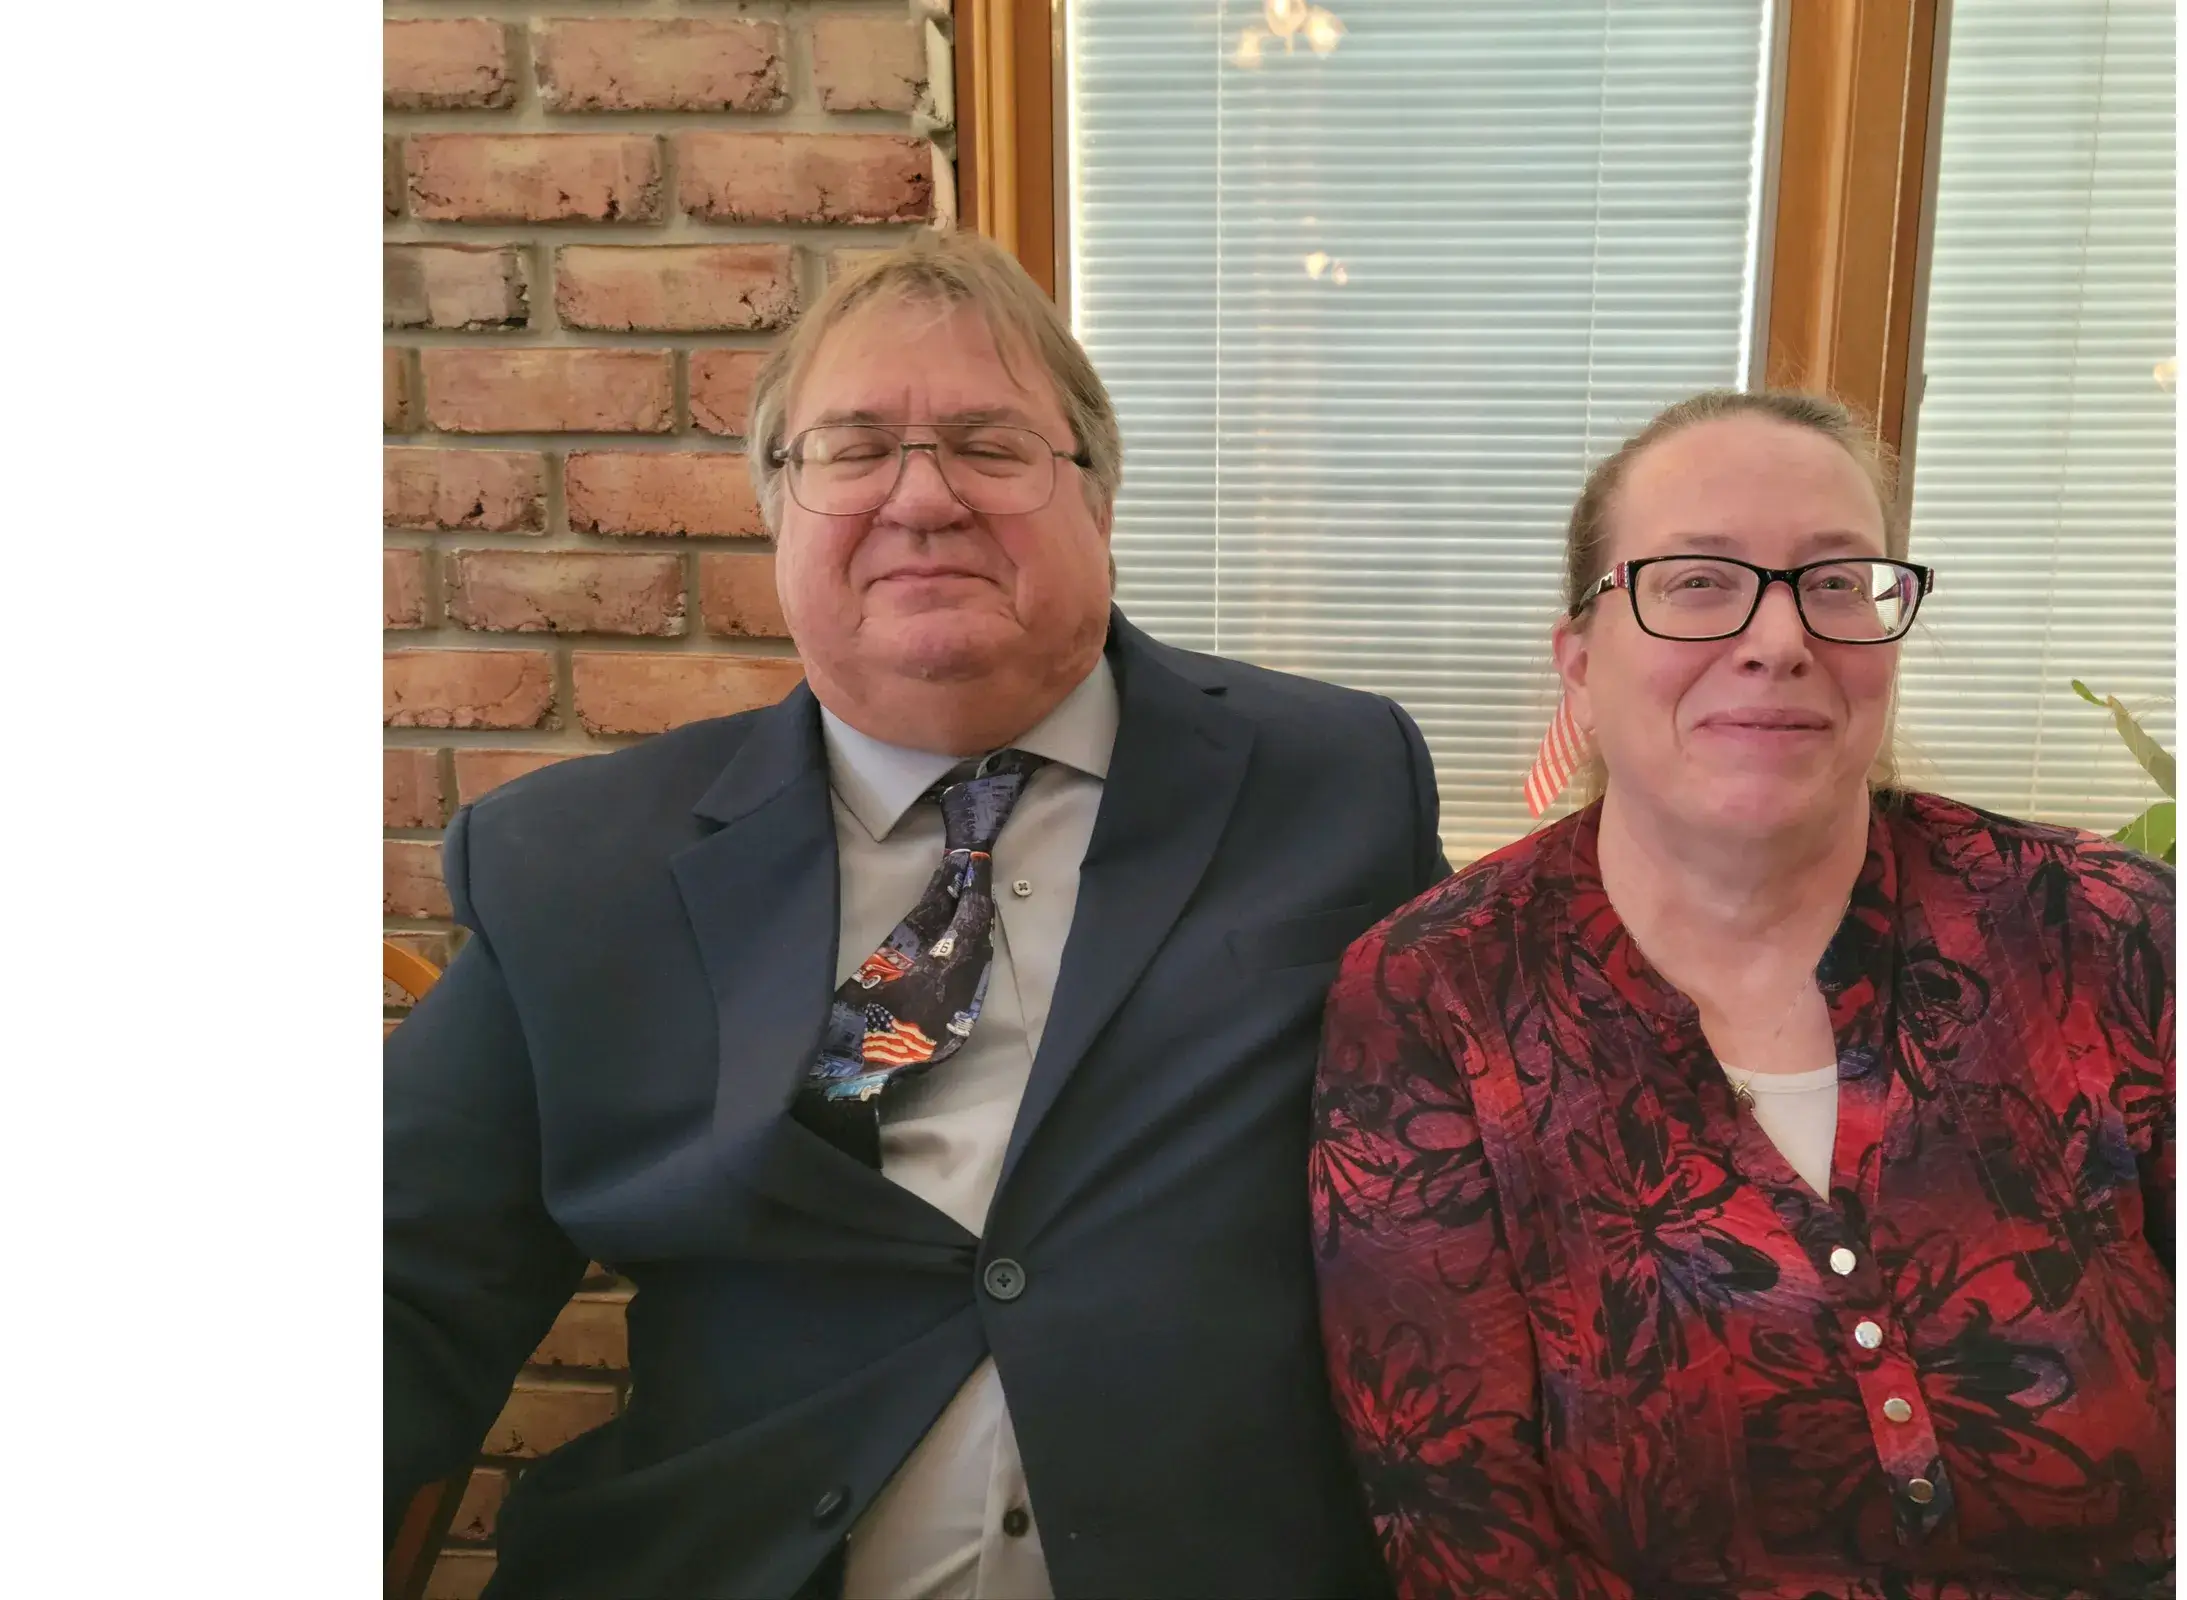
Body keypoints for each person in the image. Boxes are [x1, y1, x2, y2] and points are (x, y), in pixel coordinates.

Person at [387, 230, 1446, 1600]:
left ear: (1100, 501)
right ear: (777, 509)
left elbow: (1479, 1205)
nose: (924, 497)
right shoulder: (582, 868)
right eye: (855, 449)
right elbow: (403, 1287)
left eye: (991, 446)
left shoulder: (1338, 784)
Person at [1309, 391, 2172, 1598]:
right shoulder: (1433, 995)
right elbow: (1464, 1528)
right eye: (1699, 581)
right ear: (1579, 659)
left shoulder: (2107, 927)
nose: (1779, 639)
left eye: (1836, 583)